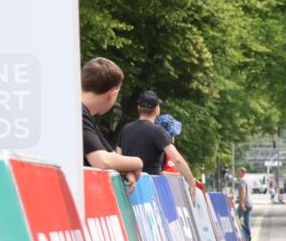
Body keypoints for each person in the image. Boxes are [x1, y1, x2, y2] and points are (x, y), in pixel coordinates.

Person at [118, 91, 198, 201]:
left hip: (126, 189)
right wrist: (191, 183)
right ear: (157, 109)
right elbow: (177, 160)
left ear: (138, 108)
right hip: (149, 192)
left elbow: (117, 157)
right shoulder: (157, 131)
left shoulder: (125, 129)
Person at [80, 58, 143, 191]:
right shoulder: (78, 113)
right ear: (112, 94)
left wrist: (125, 169)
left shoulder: (86, 115)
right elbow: (102, 161)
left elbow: (111, 156)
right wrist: (138, 162)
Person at [236, 167, 253, 241]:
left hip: (244, 203)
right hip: (250, 203)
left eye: (238, 172)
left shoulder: (242, 180)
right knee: (247, 221)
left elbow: (243, 192)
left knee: (235, 218)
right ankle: (249, 238)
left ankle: (235, 236)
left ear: (242, 172)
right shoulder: (248, 180)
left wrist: (241, 203)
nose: (237, 173)